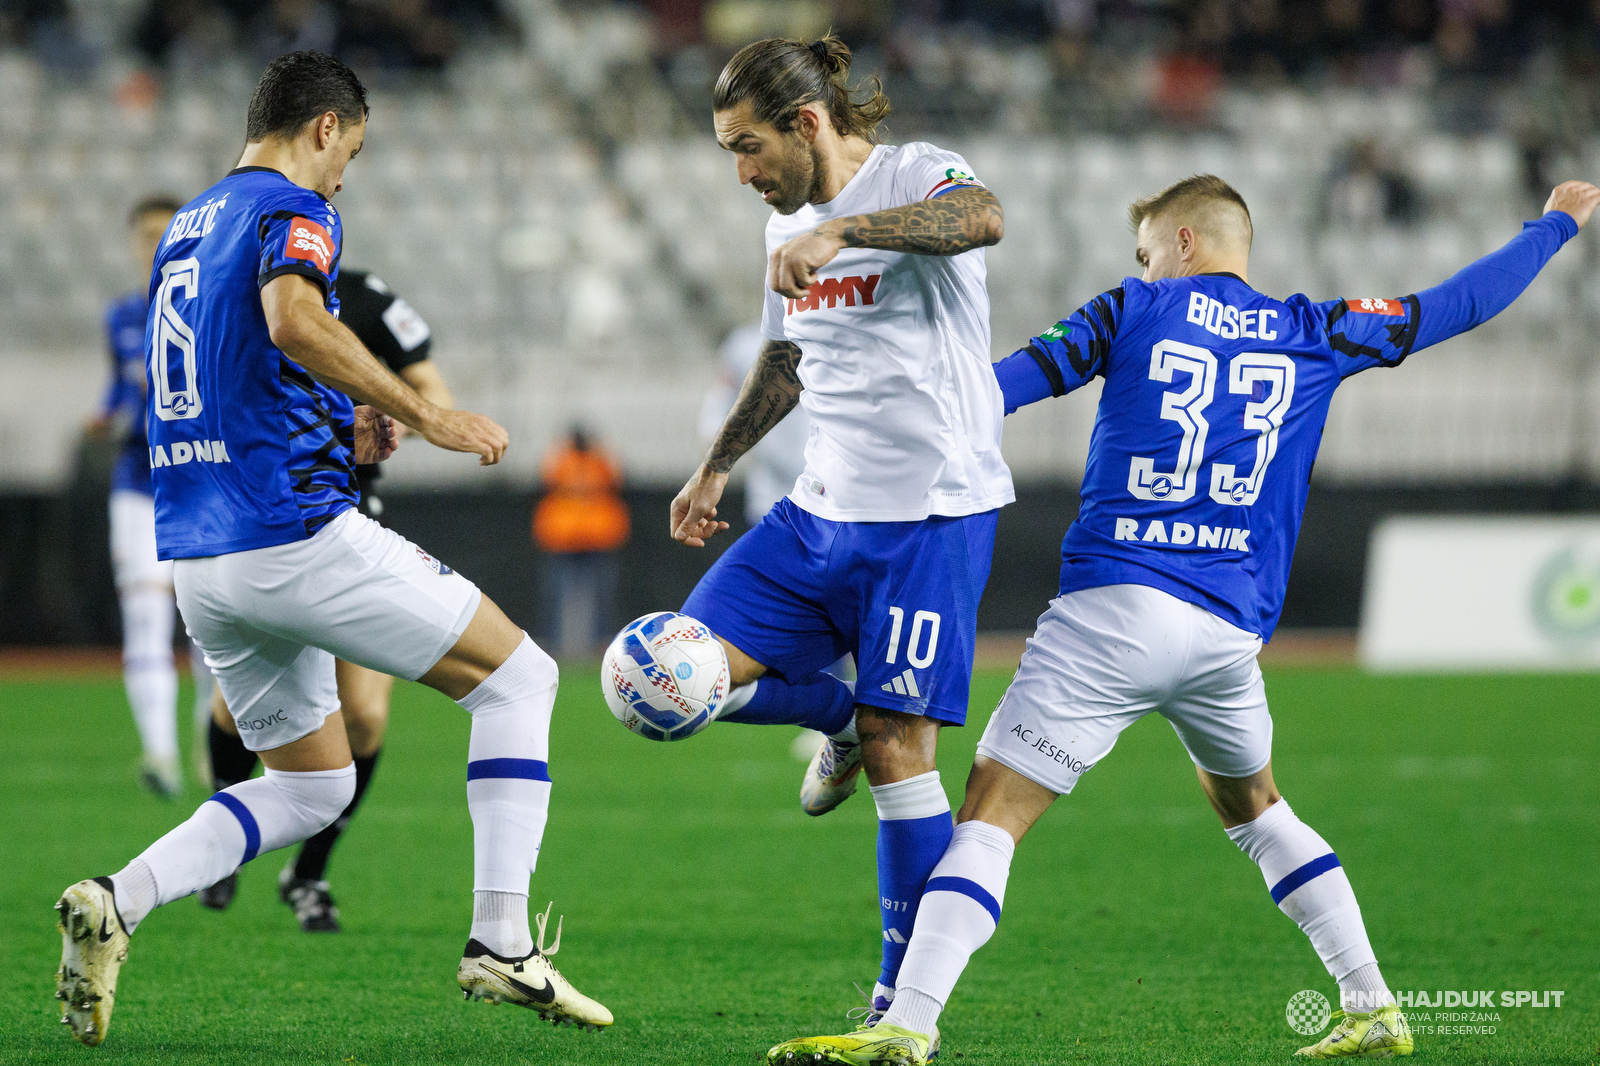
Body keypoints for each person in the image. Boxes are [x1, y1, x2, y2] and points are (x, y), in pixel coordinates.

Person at [765, 175, 1600, 1065]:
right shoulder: (1318, 331)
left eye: (1149, 248)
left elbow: (995, 393)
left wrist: (871, 422)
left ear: (1187, 243)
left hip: (1116, 612)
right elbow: (1458, 304)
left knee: (989, 816)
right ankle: (1372, 1003)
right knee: (1253, 804)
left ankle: (906, 1025)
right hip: (1228, 637)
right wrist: (1552, 228)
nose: (1144, 264)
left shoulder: (1134, 309)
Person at [52, 51, 610, 1047]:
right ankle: (501, 939)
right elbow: (294, 317)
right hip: (292, 534)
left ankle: (116, 898)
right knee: (521, 678)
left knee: (313, 784)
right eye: (348, 150)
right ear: (321, 128)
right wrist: (418, 410)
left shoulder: (186, 226)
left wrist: (337, 418)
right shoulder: (291, 208)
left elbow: (233, 364)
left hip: (201, 556)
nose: (344, 175)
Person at [655, 33, 1012, 1033]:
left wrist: (847, 234)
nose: (740, 173)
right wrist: (715, 465)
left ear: (805, 122)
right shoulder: (782, 226)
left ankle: (901, 1003)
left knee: (907, 753)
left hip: (929, 516)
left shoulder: (915, 171)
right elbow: (789, 359)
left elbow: (981, 216)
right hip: (814, 512)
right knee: (668, 680)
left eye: (746, 147)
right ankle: (840, 716)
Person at [198, 268, 456, 931]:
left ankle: (308, 873)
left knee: (365, 716)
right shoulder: (241, 300)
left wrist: (392, 414)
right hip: (264, 527)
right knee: (237, 711)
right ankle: (223, 844)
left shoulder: (369, 301)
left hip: (351, 526)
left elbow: (434, 394)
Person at [88, 193, 216, 798]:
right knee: (145, 614)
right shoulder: (120, 316)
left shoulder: (211, 306)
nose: (152, 243)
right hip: (138, 482)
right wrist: (105, 414)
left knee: (209, 621)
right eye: (143, 234)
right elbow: (120, 390)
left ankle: (210, 751)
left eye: (162, 232)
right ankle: (159, 754)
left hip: (197, 479)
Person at [696, 322, 811, 527]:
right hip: (771, 492)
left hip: (831, 490)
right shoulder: (745, 345)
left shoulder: (841, 338)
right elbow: (720, 404)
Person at [532, 426, 630, 658]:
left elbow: (618, 478)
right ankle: (551, 643)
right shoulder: (561, 460)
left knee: (603, 595)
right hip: (563, 538)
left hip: (599, 536)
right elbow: (545, 477)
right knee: (555, 594)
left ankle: (603, 645)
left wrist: (603, 450)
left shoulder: (600, 460)